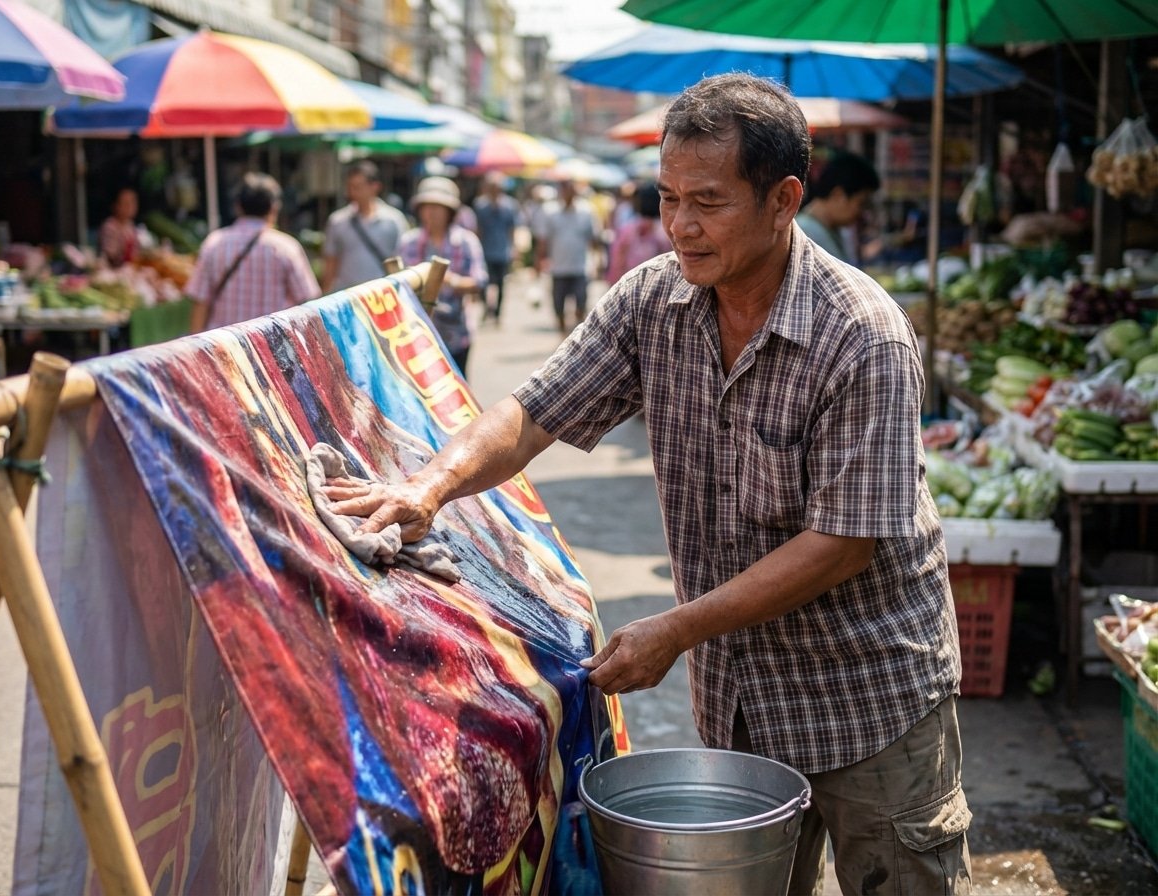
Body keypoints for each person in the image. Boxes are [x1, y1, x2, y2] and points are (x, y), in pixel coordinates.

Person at [322, 73, 970, 896]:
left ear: (785, 200)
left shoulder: (861, 335)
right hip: (742, 707)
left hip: (870, 698)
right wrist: (429, 486)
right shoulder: (654, 300)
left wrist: (675, 629)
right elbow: (532, 411)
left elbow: (842, 545)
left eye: (708, 201)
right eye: (667, 198)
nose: (681, 227)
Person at [186, 172, 319, 333]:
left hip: (223, 348)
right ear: (273, 207)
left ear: (238, 206)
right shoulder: (287, 248)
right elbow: (307, 302)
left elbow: (200, 303)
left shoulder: (214, 243)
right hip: (272, 348)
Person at [397, 176, 487, 377]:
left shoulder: (465, 241)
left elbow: (479, 281)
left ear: (450, 211)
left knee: (457, 389)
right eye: (426, 206)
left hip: (456, 333)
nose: (431, 212)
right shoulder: (409, 241)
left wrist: (449, 280)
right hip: (415, 333)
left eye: (438, 207)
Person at [321, 161, 409, 293]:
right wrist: (325, 294)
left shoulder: (394, 220)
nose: (353, 192)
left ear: (375, 186)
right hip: (346, 298)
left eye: (358, 187)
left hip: (382, 296)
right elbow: (331, 262)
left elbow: (403, 260)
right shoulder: (337, 221)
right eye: (350, 187)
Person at [533, 178, 599, 333]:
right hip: (558, 268)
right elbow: (543, 240)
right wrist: (539, 261)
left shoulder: (586, 211)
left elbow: (593, 239)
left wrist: (598, 261)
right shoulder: (550, 212)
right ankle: (563, 336)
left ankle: (580, 338)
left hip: (580, 267)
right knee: (559, 308)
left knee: (581, 306)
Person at [795, 150, 881, 267]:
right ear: (838, 195)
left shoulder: (836, 230)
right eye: (861, 203)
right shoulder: (804, 233)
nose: (862, 212)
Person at [472, 171, 519, 324]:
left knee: (500, 284)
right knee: (485, 282)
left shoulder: (509, 205)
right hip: (485, 250)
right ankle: (487, 307)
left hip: (502, 250)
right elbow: (478, 228)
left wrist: (513, 247)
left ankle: (498, 313)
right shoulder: (480, 205)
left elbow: (512, 228)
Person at [605, 182, 671, 286]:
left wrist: (615, 285)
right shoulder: (668, 231)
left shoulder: (628, 229)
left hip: (630, 285)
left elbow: (617, 260)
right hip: (660, 286)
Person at [98, 187, 144, 268]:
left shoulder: (131, 226)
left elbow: (136, 253)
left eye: (132, 203)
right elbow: (111, 256)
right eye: (126, 203)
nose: (130, 207)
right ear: (115, 206)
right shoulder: (110, 226)